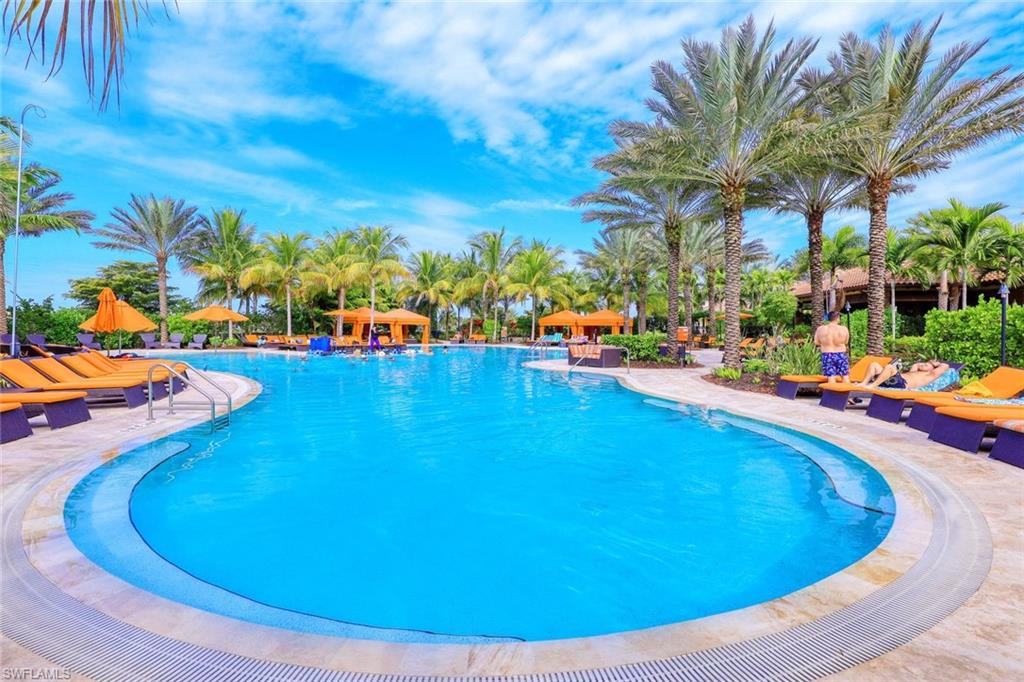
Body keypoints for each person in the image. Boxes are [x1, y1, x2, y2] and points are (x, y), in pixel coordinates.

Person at [860, 360, 956, 391]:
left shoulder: (930, 375)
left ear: (932, 369)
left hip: (901, 384)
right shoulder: (914, 371)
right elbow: (916, 364)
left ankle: (873, 385)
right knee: (874, 365)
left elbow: (945, 366)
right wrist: (924, 364)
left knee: (889, 367)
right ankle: (863, 383)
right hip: (893, 381)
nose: (923, 364)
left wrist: (934, 364)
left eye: (926, 365)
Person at [813, 312, 851, 383]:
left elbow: (816, 342)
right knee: (845, 376)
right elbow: (846, 342)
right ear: (837, 318)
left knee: (831, 377)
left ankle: (833, 394)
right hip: (841, 354)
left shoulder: (820, 329)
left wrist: (825, 343)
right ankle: (846, 393)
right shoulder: (844, 329)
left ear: (828, 319)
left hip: (827, 354)